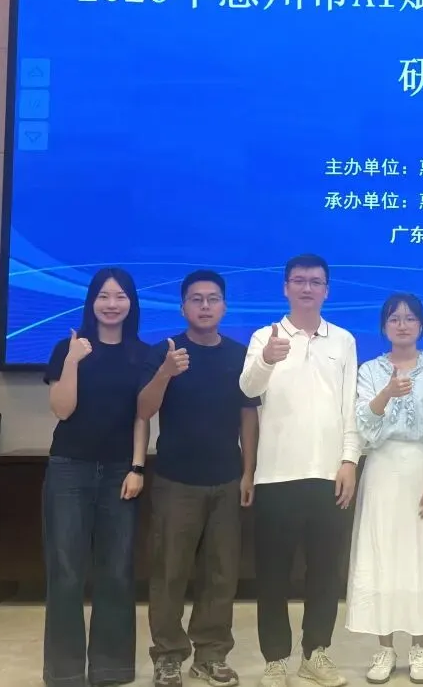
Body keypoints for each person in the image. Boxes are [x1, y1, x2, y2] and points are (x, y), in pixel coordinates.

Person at [240, 254, 360, 687]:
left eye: (315, 282)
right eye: (299, 281)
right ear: (286, 287)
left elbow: (350, 406)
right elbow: (248, 389)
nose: (307, 288)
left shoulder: (343, 340)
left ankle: (316, 654)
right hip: (276, 476)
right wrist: (267, 359)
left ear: (326, 289)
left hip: (329, 476)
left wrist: (349, 460)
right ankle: (275, 660)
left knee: (324, 573)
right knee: (272, 574)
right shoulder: (264, 336)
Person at [138, 270, 260, 687]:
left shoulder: (239, 355)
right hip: (176, 480)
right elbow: (144, 409)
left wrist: (248, 472)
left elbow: (248, 415)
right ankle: (168, 656)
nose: (205, 306)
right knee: (169, 572)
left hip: (226, 479)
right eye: (196, 299)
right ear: (183, 307)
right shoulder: (165, 352)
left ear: (224, 306)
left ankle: (210, 654)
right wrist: (165, 373)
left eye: (212, 299)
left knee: (221, 574)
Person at [346, 293, 423, 684]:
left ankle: (418, 649)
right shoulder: (369, 370)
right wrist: (386, 393)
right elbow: (364, 424)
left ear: (422, 325)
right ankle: (384, 648)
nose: (402, 324)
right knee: (383, 555)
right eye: (394, 318)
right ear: (384, 326)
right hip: (382, 470)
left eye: (410, 318)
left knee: (422, 557)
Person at [41, 267, 149, 687]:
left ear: (131, 303)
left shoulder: (142, 354)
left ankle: (111, 668)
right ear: (91, 302)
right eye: (103, 296)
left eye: (120, 296)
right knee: (66, 571)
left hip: (120, 471)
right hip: (70, 468)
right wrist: (72, 359)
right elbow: (62, 409)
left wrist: (137, 467)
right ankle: (65, 671)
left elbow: (142, 417)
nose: (111, 304)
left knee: (117, 570)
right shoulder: (67, 348)